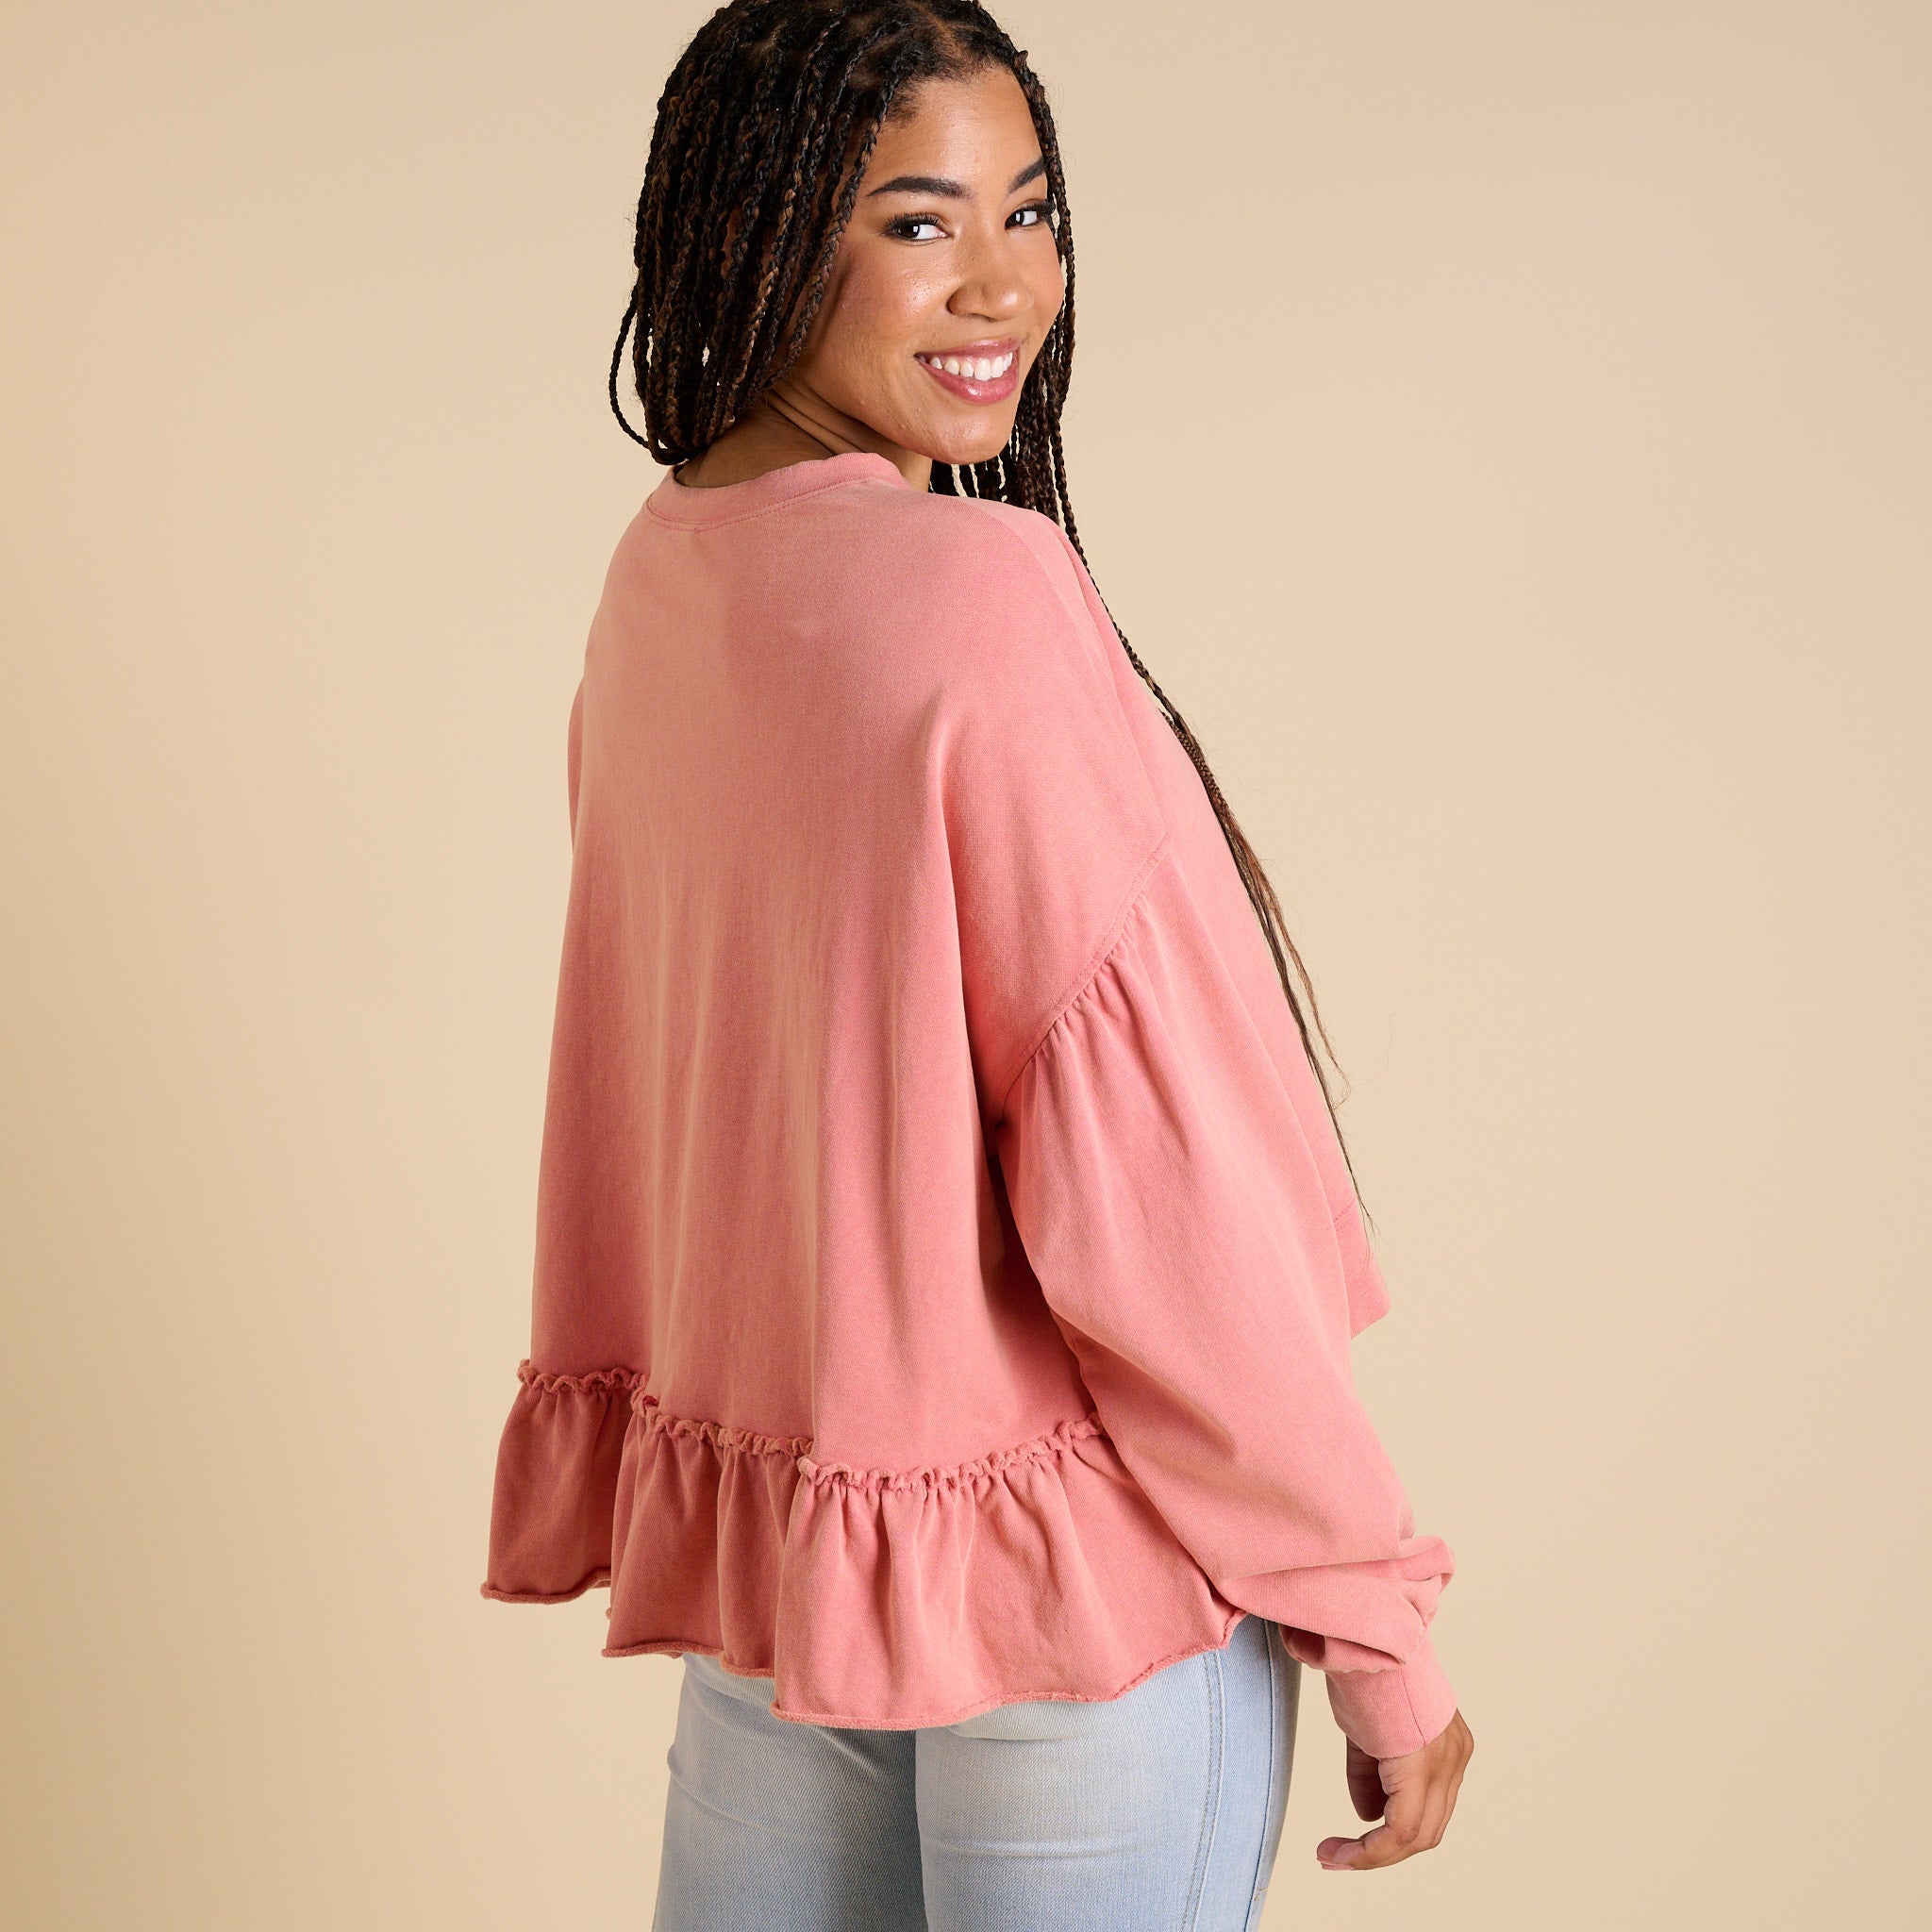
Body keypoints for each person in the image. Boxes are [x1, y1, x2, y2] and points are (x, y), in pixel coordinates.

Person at [478, 2, 1474, 1924]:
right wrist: (1371, 1611)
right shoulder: (985, 594)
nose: (1004, 284)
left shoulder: (660, 577)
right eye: (921, 223)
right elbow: (1166, 1192)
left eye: (1030, 212)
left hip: (802, 1579)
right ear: (755, 229)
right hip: (1079, 1616)